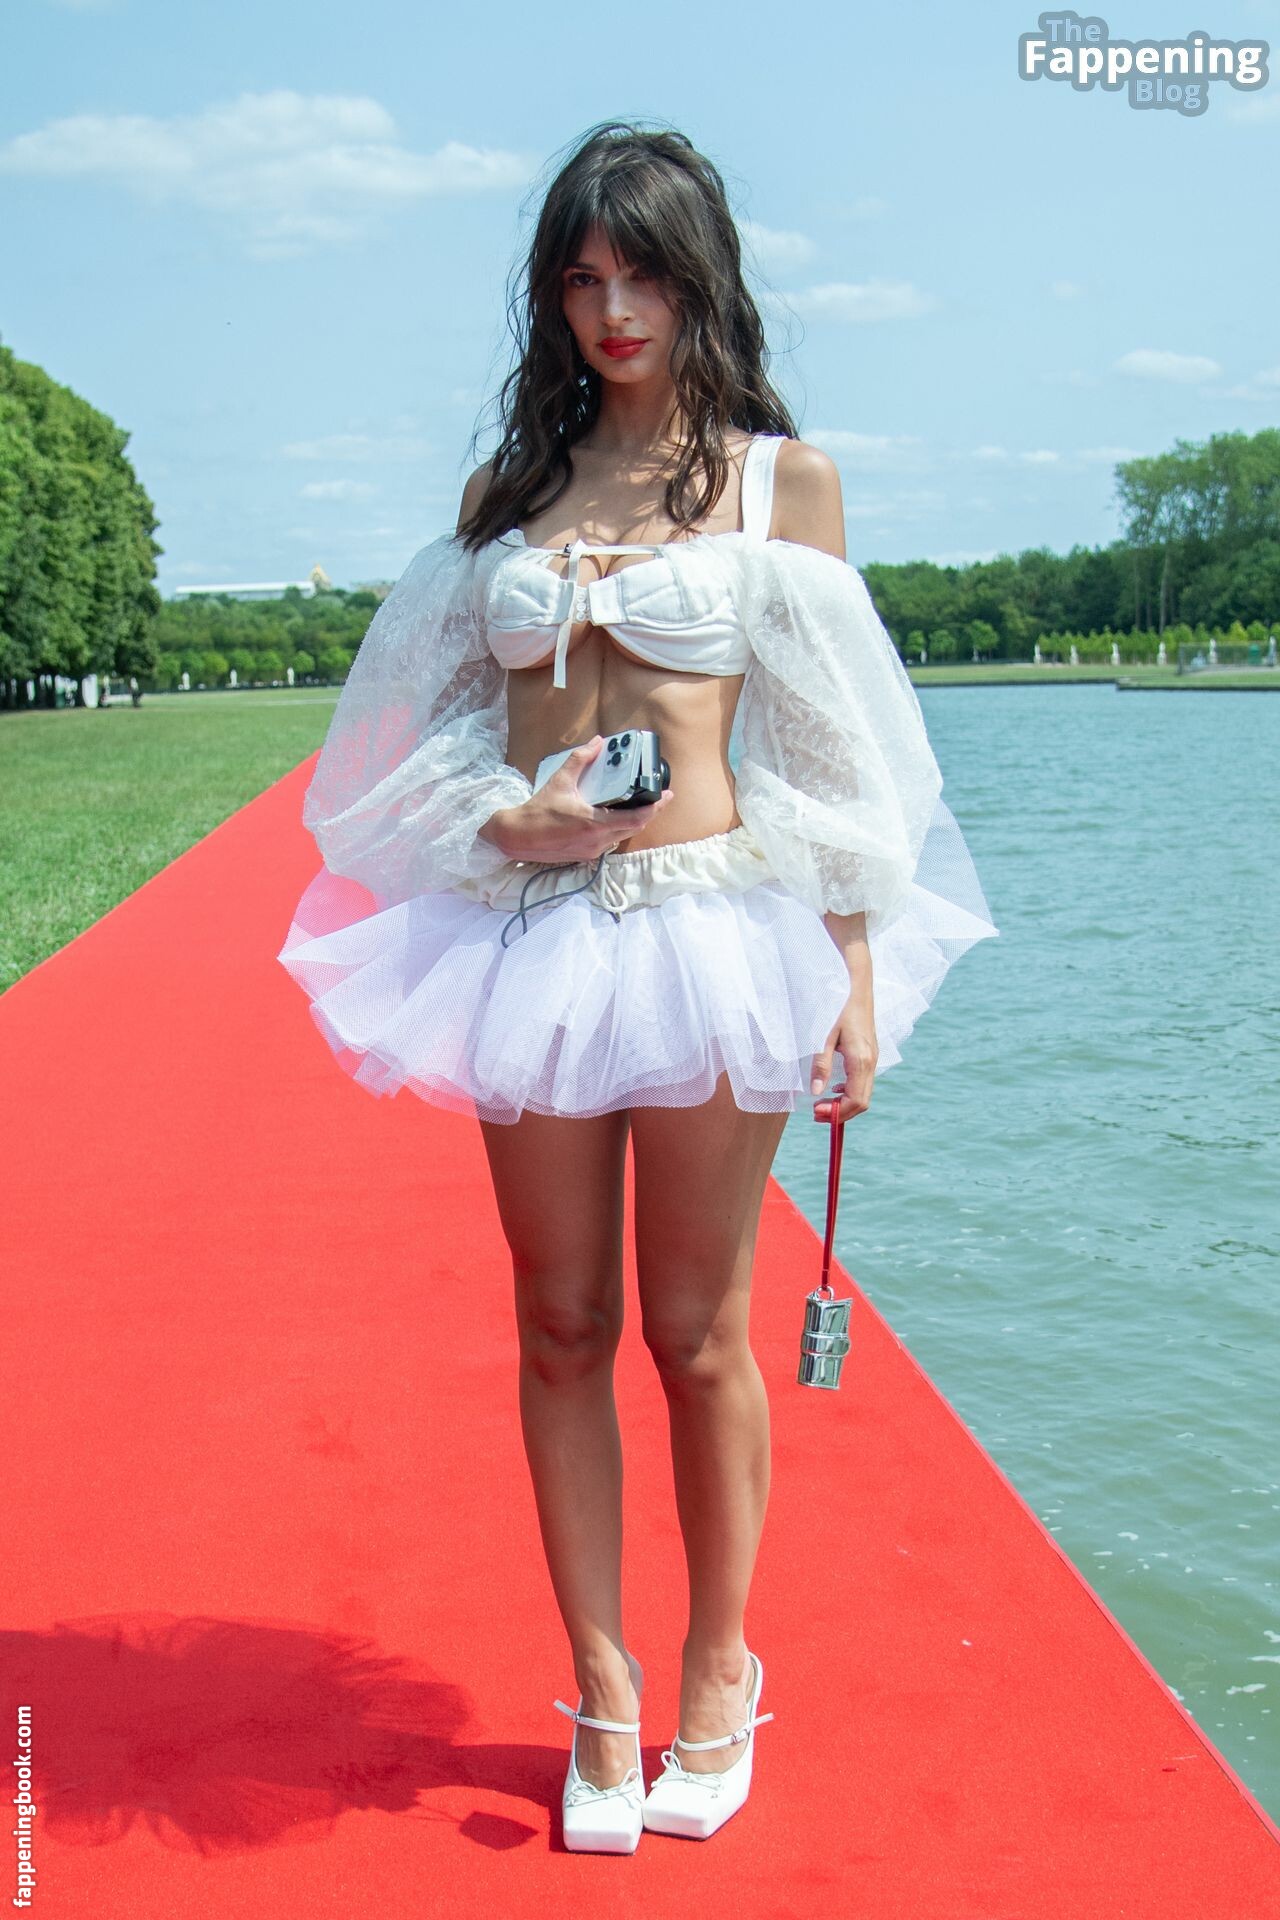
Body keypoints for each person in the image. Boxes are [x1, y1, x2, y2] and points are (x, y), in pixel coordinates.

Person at [277, 120, 998, 1853]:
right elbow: (421, 729)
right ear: (552, 296)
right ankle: (600, 1684)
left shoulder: (778, 486)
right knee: (560, 1323)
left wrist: (850, 972)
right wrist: (500, 815)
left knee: (696, 1330)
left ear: (700, 283)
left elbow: (839, 755)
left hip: (711, 935)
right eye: (583, 279)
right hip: (531, 943)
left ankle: (717, 1669)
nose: (614, 310)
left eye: (645, 276)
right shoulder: (505, 502)